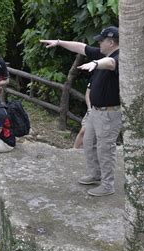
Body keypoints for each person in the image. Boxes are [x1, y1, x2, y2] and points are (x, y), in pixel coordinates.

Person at [40, 26, 121, 196]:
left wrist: (95, 63)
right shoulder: (103, 53)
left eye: (101, 40)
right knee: (89, 141)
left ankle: (107, 185)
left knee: (105, 149)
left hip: (109, 113)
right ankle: (95, 174)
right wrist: (59, 42)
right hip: (95, 111)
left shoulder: (117, 57)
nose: (98, 42)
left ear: (111, 42)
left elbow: (111, 64)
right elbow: (81, 47)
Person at [73, 85, 91, 149]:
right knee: (83, 130)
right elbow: (87, 93)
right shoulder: (95, 77)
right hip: (92, 110)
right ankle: (74, 150)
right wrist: (89, 108)